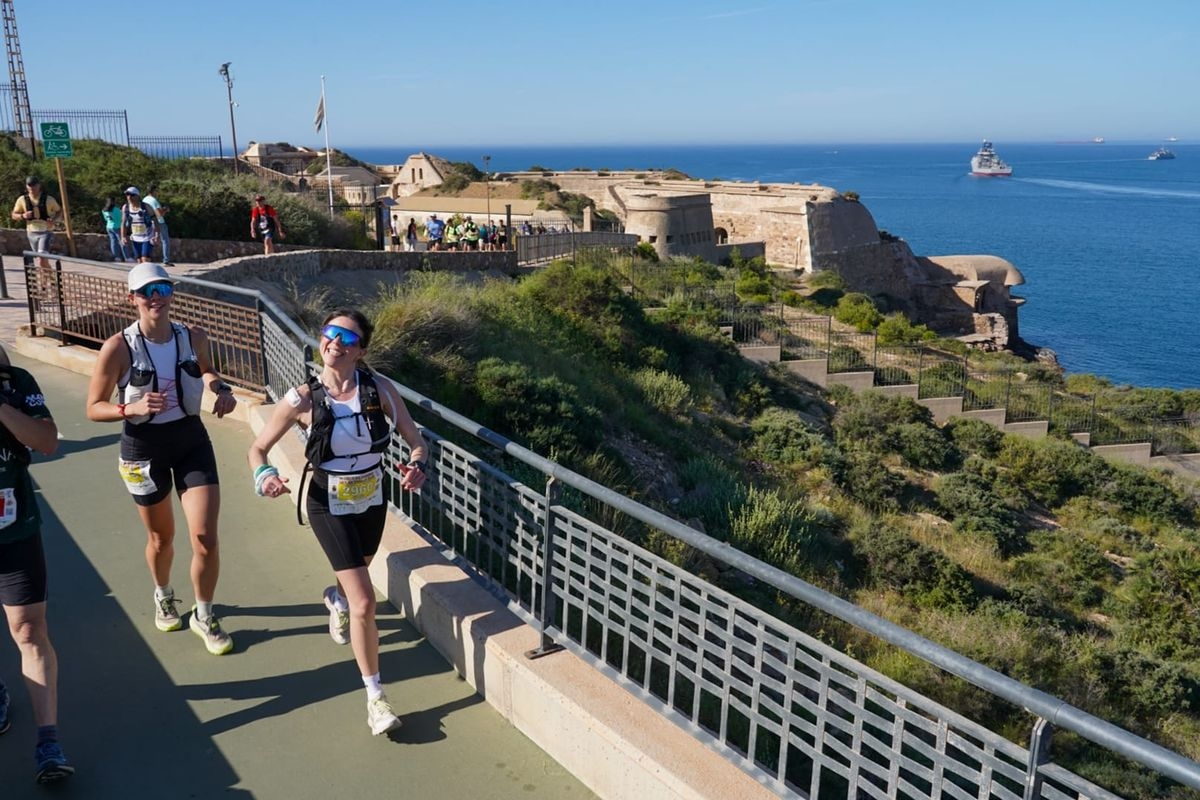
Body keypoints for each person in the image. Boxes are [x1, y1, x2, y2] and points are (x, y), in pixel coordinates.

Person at [248, 309, 428, 736]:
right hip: (326, 500)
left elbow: (415, 440)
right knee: (366, 600)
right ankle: (376, 698)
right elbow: (257, 449)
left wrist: (418, 464)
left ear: (360, 350)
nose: (335, 343)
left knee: (356, 579)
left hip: (371, 497)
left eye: (347, 338)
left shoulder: (380, 389)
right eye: (330, 334)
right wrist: (265, 475)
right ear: (321, 341)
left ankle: (336, 597)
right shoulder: (301, 399)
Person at [85, 263, 238, 656]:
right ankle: (164, 594)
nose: (156, 296)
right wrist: (128, 409)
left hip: (190, 440)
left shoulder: (193, 336)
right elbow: (94, 407)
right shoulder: (118, 347)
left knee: (204, 537)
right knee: (161, 537)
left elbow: (206, 372)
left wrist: (221, 388)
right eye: (146, 290)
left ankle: (204, 614)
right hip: (143, 446)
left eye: (162, 288)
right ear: (132, 298)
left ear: (171, 294)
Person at [0, 346, 74, 784]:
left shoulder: (19, 384)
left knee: (29, 630)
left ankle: (48, 741)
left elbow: (47, 441)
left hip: (15, 528)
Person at [11, 176, 61, 269]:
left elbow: (59, 211)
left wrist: (53, 221)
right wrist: (23, 216)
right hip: (31, 233)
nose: (32, 188)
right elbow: (14, 215)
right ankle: (50, 280)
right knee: (41, 261)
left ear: (39, 185)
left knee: (41, 260)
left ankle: (52, 281)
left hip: (46, 232)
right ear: (26, 187)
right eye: (29, 185)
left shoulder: (49, 199)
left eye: (34, 185)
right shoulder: (22, 200)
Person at [119, 187, 159, 264]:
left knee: (145, 259)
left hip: (148, 237)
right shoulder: (126, 207)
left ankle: (148, 274)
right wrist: (123, 237)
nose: (129, 197)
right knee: (139, 260)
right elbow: (123, 223)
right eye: (127, 195)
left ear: (137, 196)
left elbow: (155, 221)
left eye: (132, 195)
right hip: (135, 237)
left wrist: (157, 235)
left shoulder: (146, 207)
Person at [143, 183, 173, 265]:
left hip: (148, 222)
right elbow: (159, 214)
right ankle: (166, 260)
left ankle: (146, 258)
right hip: (159, 222)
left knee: (149, 240)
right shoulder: (154, 200)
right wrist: (165, 210)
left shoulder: (144, 199)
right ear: (154, 191)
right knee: (165, 240)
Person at [102, 197, 130, 262]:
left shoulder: (104, 210)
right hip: (117, 227)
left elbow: (106, 219)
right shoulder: (116, 210)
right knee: (122, 241)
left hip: (109, 227)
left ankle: (117, 257)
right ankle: (127, 257)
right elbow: (122, 219)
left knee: (113, 242)